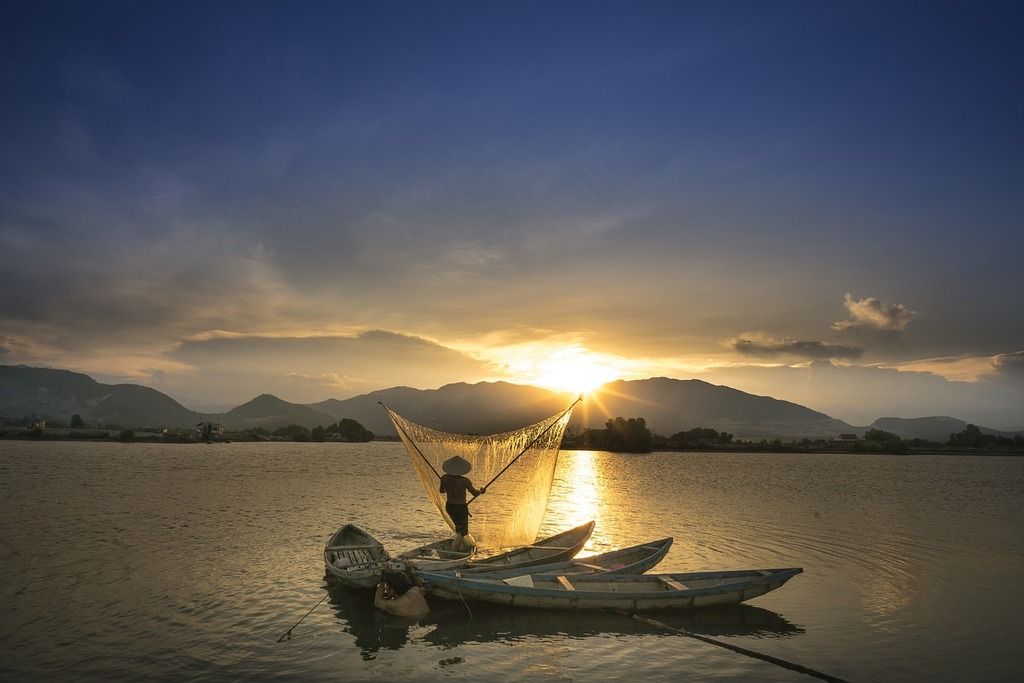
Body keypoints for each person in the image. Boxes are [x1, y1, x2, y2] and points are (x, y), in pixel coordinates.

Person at [439, 455, 485, 549]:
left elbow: (442, 491)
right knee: (462, 532)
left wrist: (449, 488)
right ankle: (453, 551)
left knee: (459, 529)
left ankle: (457, 545)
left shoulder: (444, 478)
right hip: (460, 508)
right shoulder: (465, 481)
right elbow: (475, 493)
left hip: (450, 506)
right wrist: (481, 491)